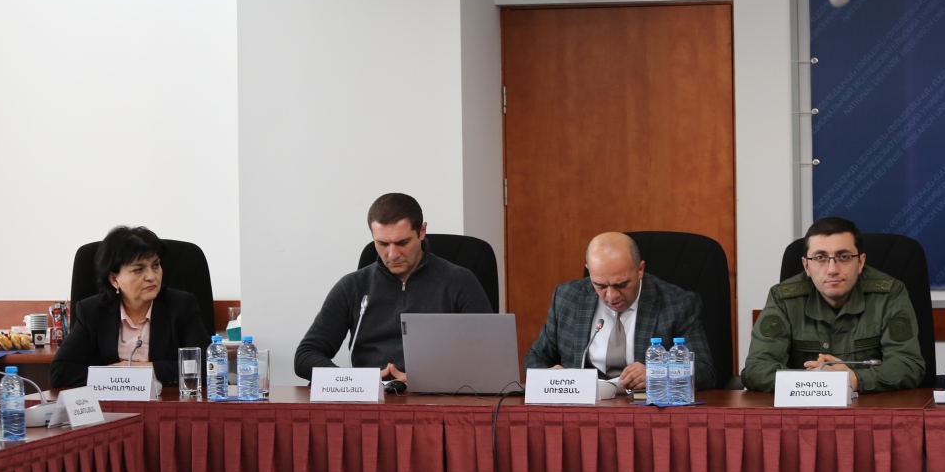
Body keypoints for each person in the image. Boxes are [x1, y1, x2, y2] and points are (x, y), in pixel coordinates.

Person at [294, 193, 492, 382]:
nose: (392, 254)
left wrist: (427, 380)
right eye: (382, 244)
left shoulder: (459, 282)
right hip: (372, 396)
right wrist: (354, 381)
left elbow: (488, 355)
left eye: (402, 243)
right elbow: (306, 355)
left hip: (437, 395)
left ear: (421, 231)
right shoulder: (352, 286)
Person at [741, 217, 925, 393]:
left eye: (844, 257)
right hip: (804, 407)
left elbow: (908, 364)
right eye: (820, 258)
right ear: (806, 266)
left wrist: (855, 380)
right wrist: (812, 383)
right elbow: (756, 368)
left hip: (870, 407)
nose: (832, 270)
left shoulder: (889, 294)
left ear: (860, 262)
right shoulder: (783, 298)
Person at [524, 232, 716, 392]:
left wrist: (657, 374)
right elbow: (535, 357)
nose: (611, 296)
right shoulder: (567, 298)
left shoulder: (678, 304)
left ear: (640, 269)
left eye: (621, 285)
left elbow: (704, 371)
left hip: (646, 411)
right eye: (600, 285)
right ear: (589, 271)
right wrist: (549, 377)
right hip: (582, 410)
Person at [50, 226, 211, 388]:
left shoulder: (180, 305)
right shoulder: (92, 311)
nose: (151, 276)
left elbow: (208, 365)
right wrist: (116, 375)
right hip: (110, 402)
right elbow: (60, 372)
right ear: (114, 279)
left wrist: (142, 370)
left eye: (155, 266)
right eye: (138, 270)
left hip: (165, 400)